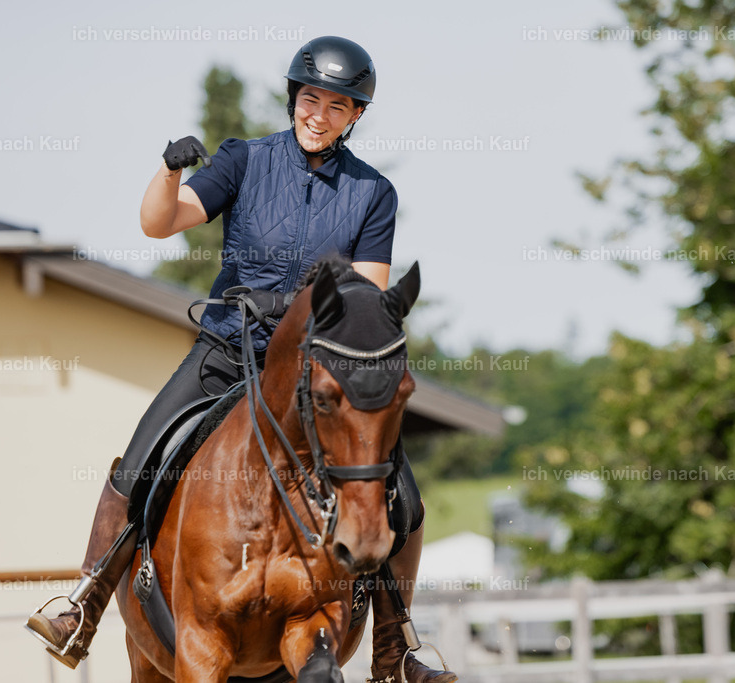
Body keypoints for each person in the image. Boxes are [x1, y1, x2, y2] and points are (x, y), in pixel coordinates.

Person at [27, 35, 453, 683]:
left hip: (308, 370)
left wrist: (303, 312)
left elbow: (362, 300)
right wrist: (169, 170)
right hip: (228, 350)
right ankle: (83, 603)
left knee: (400, 488)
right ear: (293, 99)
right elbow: (159, 222)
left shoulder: (373, 193)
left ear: (356, 116)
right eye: (311, 98)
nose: (320, 114)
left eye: (338, 106)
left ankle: (394, 649)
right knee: (141, 457)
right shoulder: (244, 161)